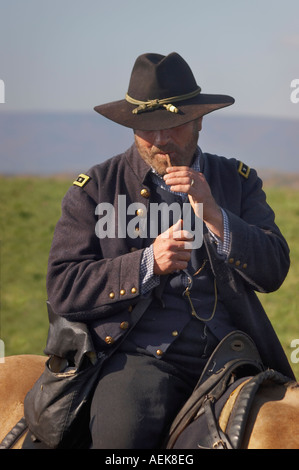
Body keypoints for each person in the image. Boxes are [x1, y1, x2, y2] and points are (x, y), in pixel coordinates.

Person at [44, 52, 294, 448]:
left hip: (232, 358)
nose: (160, 140)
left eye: (173, 125)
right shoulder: (94, 188)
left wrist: (215, 215)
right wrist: (147, 264)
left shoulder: (238, 180)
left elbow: (273, 271)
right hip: (137, 360)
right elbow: (63, 287)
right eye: (147, 129)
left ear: (198, 121)